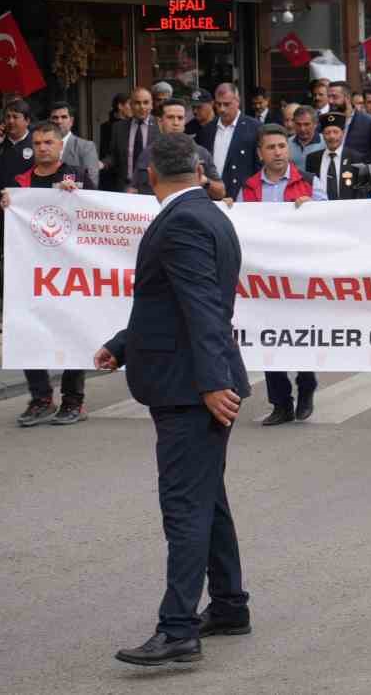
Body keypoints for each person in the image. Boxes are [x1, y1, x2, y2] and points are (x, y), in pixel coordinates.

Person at [94, 134, 251, 668]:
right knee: (208, 498)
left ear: (151, 174)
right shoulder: (208, 214)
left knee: (184, 506)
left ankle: (178, 628)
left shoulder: (183, 220)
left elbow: (203, 306)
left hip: (191, 387)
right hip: (191, 378)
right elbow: (168, 302)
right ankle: (229, 604)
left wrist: (210, 382)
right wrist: (123, 344)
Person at [1, 121, 92, 426]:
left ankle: (73, 400)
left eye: (48, 142)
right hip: (31, 270)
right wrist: (6, 205)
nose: (42, 148)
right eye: (38, 143)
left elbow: (95, 212)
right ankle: (40, 398)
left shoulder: (75, 175)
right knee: (27, 329)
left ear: (60, 145)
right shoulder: (20, 181)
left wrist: (77, 194)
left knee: (72, 331)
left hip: (68, 272)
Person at [242, 125, 325, 424]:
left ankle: (306, 388)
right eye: (271, 147)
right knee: (268, 338)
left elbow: (332, 220)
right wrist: (229, 208)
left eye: (281, 146)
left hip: (299, 274)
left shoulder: (308, 182)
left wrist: (313, 209)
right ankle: (280, 403)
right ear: (260, 153)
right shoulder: (250, 187)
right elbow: (240, 226)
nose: (278, 152)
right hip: (264, 277)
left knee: (299, 333)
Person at [132, 101, 225, 200]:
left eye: (180, 118)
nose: (176, 123)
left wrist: (205, 181)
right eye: (170, 117)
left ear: (184, 122)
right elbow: (134, 189)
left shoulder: (201, 153)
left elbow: (220, 192)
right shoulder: (146, 154)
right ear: (160, 122)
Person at [196, 82, 262, 194]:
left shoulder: (254, 128)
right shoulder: (207, 130)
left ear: (237, 101)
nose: (222, 109)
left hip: (243, 198)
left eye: (227, 104)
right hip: (212, 196)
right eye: (218, 104)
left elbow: (260, 168)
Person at [108, 87, 156, 193]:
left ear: (152, 105)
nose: (142, 107)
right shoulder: (118, 127)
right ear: (131, 105)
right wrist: (102, 163)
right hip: (124, 187)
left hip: (151, 189)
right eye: (137, 103)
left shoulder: (161, 127)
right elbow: (114, 157)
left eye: (146, 102)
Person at [47, 101, 101, 189]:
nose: (59, 121)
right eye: (55, 118)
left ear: (71, 121)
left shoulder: (86, 147)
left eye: (64, 117)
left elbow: (92, 184)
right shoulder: (42, 146)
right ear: (50, 121)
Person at [305, 112, 355, 200]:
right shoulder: (312, 159)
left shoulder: (355, 158)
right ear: (323, 135)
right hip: (321, 209)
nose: (331, 136)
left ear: (343, 133)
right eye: (327, 133)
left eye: (335, 132)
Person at [288, 105, 324, 172]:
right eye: (298, 124)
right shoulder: (287, 144)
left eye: (306, 124)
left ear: (315, 124)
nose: (302, 129)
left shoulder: (325, 143)